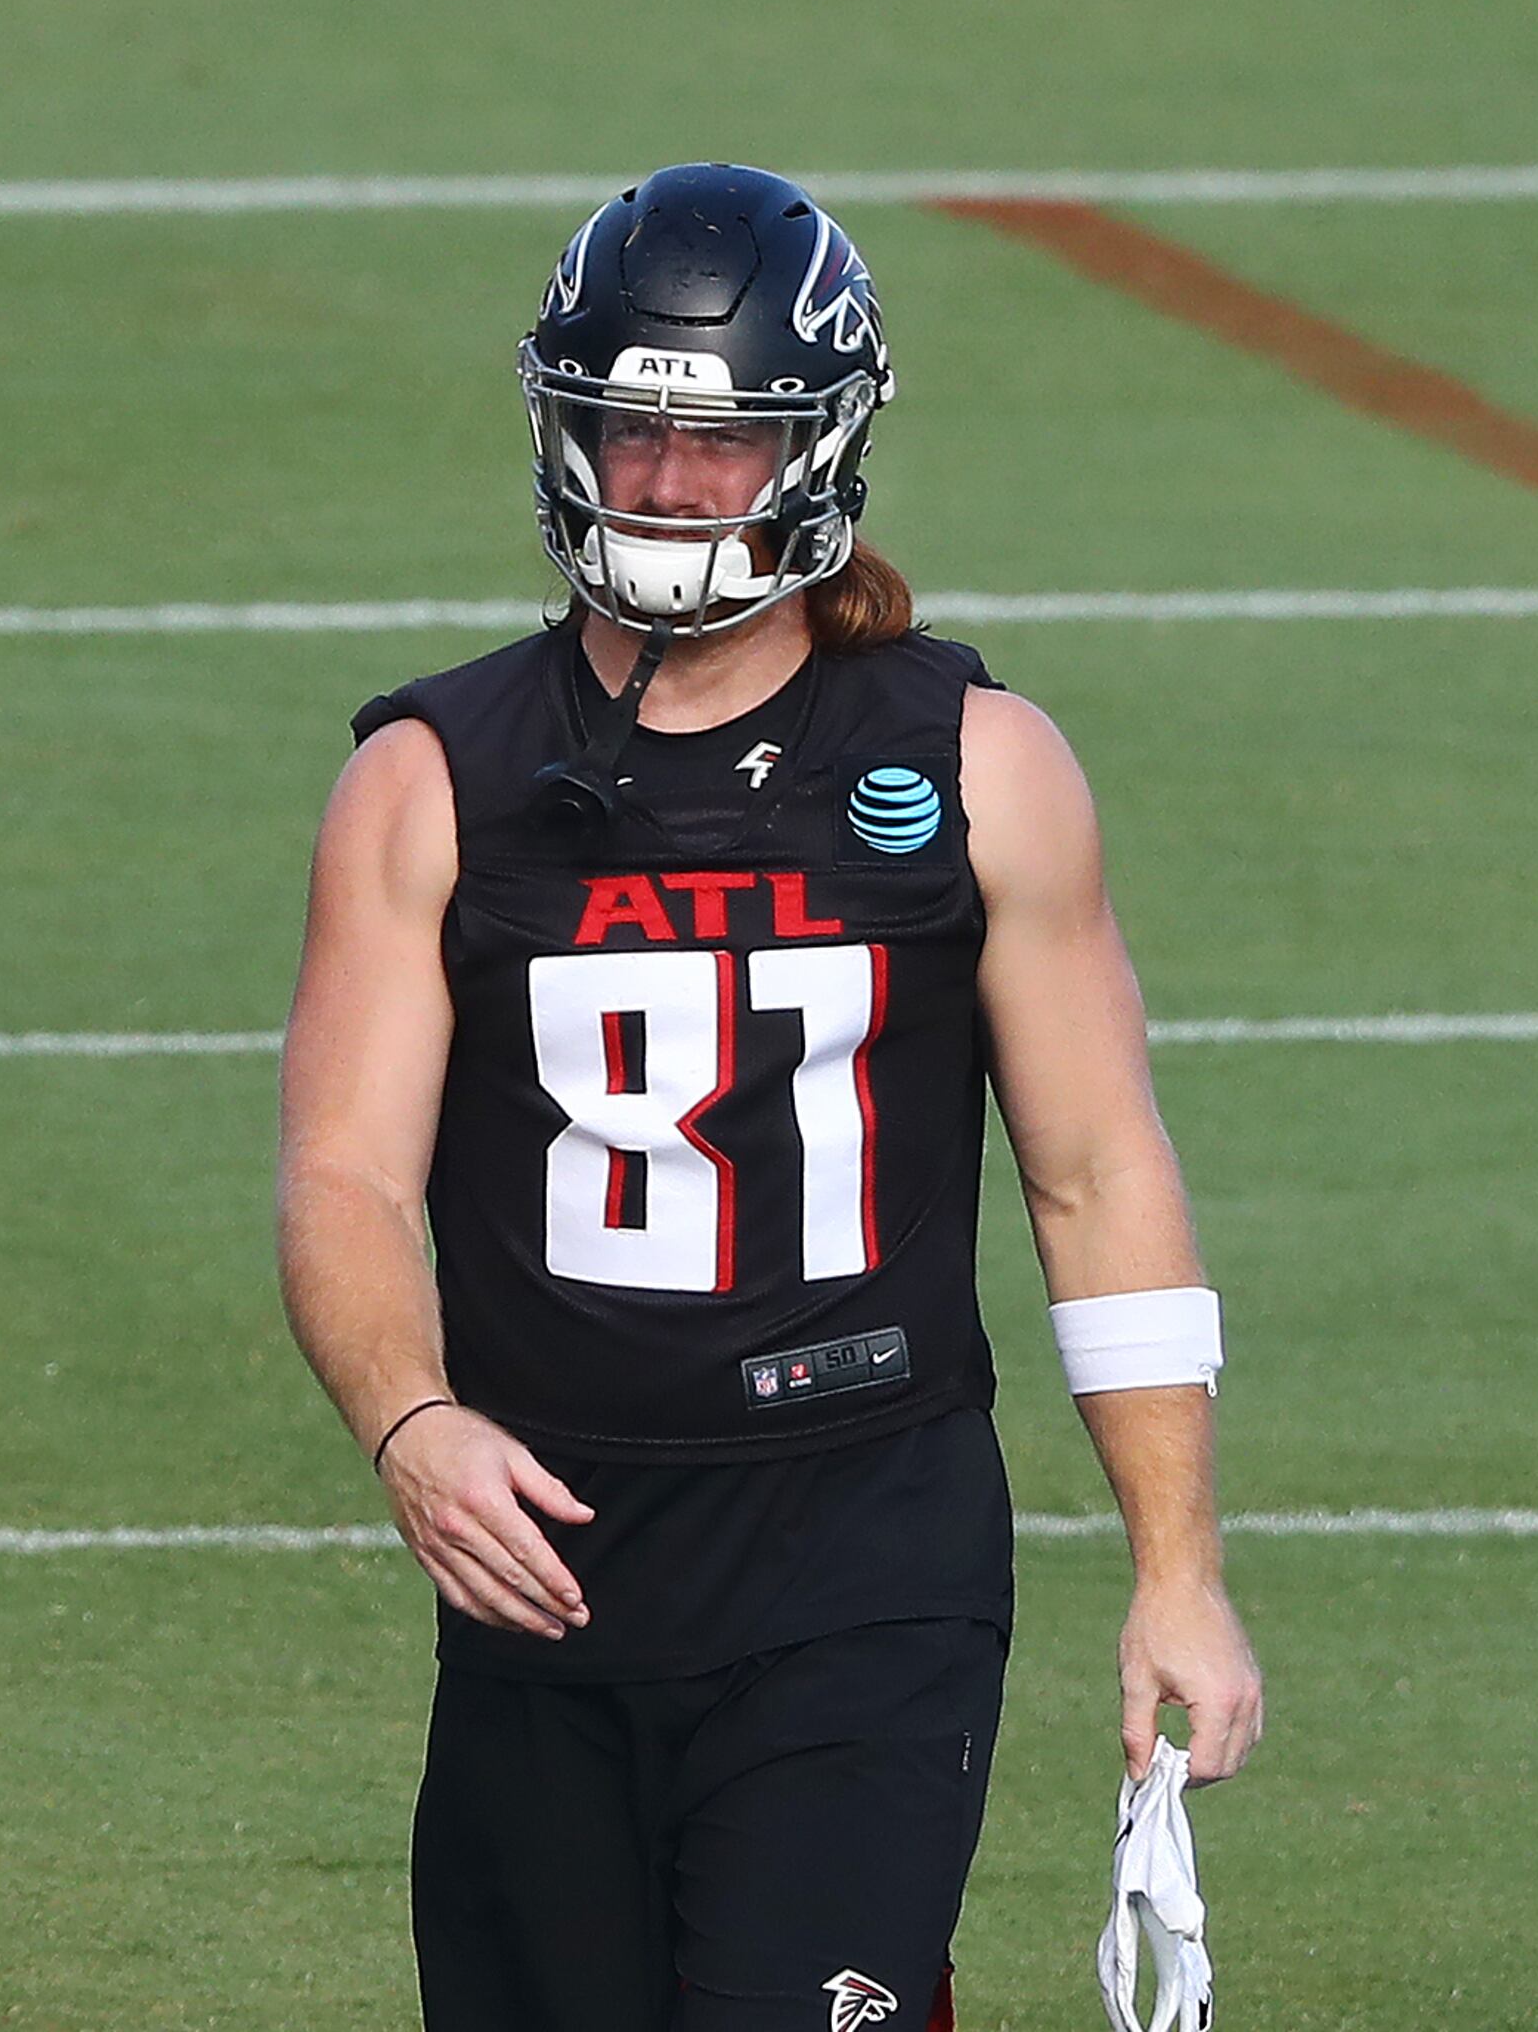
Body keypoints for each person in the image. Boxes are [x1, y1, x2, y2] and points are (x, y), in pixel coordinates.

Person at [275, 162, 1265, 2031]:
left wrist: (1177, 1574)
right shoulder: (428, 777)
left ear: (819, 444)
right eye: (627, 431)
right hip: (550, 1556)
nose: (664, 485)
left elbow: (1093, 1168)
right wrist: (409, 1423)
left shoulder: (974, 760)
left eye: (722, 442)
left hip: (863, 1538)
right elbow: (342, 1173)